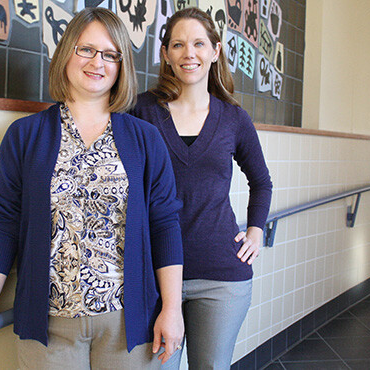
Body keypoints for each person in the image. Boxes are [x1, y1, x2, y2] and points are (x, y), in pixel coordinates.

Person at [0, 7, 184, 369]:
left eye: (110, 54)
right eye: (85, 49)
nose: (96, 62)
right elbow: (3, 221)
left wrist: (171, 308)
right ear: (66, 52)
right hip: (49, 325)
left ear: (121, 66)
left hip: (128, 323)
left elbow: (164, 223)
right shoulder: (25, 135)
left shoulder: (145, 139)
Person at [130, 7, 273, 369]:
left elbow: (261, 181)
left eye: (198, 44)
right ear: (165, 54)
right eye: (177, 44)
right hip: (155, 274)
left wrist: (255, 232)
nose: (188, 53)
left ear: (215, 50)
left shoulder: (234, 118)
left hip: (221, 276)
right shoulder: (141, 111)